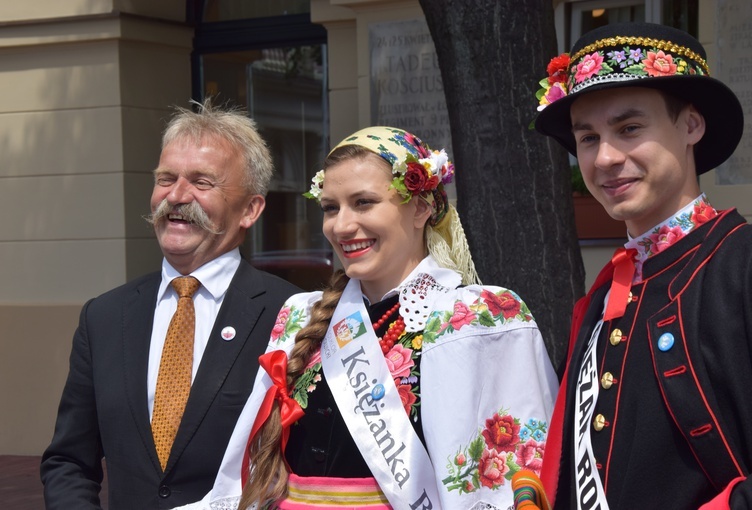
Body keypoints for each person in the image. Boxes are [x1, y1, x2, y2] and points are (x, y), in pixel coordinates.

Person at [174, 126, 559, 510]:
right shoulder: (301, 314)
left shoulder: (475, 316)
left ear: (422, 207)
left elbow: (521, 467)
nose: (341, 226)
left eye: (363, 202)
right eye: (330, 207)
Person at [533, 22, 752, 509]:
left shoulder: (750, 264)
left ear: (691, 126)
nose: (605, 158)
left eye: (629, 128)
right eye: (588, 138)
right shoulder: (603, 296)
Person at [40, 99, 301, 509]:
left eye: (202, 182)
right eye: (166, 178)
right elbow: (69, 460)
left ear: (251, 208)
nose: (177, 195)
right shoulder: (104, 317)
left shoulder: (291, 314)